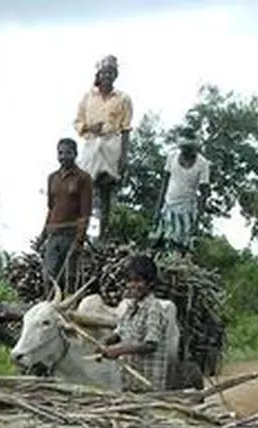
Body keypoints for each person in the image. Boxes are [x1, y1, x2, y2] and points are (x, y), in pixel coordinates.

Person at [73, 54, 133, 241]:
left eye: (111, 73)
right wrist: (91, 127)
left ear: (115, 76)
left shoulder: (123, 99)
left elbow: (125, 129)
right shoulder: (88, 97)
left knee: (107, 191)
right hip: (92, 146)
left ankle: (103, 235)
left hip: (111, 146)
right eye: (104, 72)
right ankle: (89, 234)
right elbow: (77, 123)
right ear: (98, 75)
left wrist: (124, 157)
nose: (107, 76)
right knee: (90, 190)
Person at [97, 254, 170, 392]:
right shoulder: (131, 308)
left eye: (138, 281)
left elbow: (151, 344)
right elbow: (119, 333)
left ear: (150, 283)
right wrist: (104, 341)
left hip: (146, 386)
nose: (133, 285)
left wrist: (119, 350)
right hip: (129, 383)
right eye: (130, 281)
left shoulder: (153, 308)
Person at [39, 138, 94, 293]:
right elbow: (51, 208)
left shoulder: (83, 178)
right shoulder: (52, 178)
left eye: (68, 153)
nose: (63, 156)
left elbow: (85, 213)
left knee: (69, 277)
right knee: (48, 274)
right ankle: (49, 307)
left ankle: (69, 310)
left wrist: (80, 239)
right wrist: (42, 235)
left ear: (75, 154)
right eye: (60, 153)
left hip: (71, 234)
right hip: (53, 234)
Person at [151, 134, 210, 255]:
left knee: (179, 245)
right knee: (158, 242)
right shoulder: (172, 156)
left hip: (186, 209)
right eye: (184, 148)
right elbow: (165, 183)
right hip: (168, 205)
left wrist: (197, 219)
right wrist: (157, 209)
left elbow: (204, 193)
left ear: (194, 149)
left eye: (189, 149)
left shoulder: (202, 164)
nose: (186, 152)